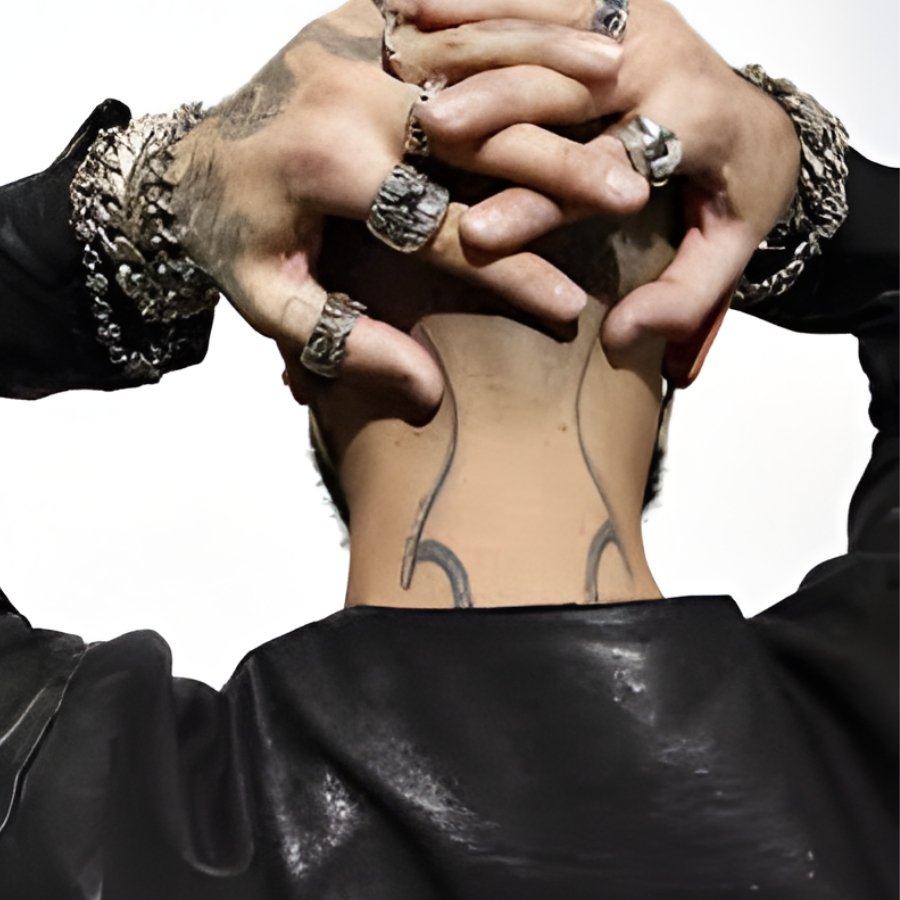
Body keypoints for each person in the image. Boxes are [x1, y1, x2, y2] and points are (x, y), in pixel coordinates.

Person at [0, 2, 895, 899]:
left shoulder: (81, 813)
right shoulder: (872, 755)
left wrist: (163, 197)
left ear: (298, 343)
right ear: (697, 327)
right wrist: (796, 174)